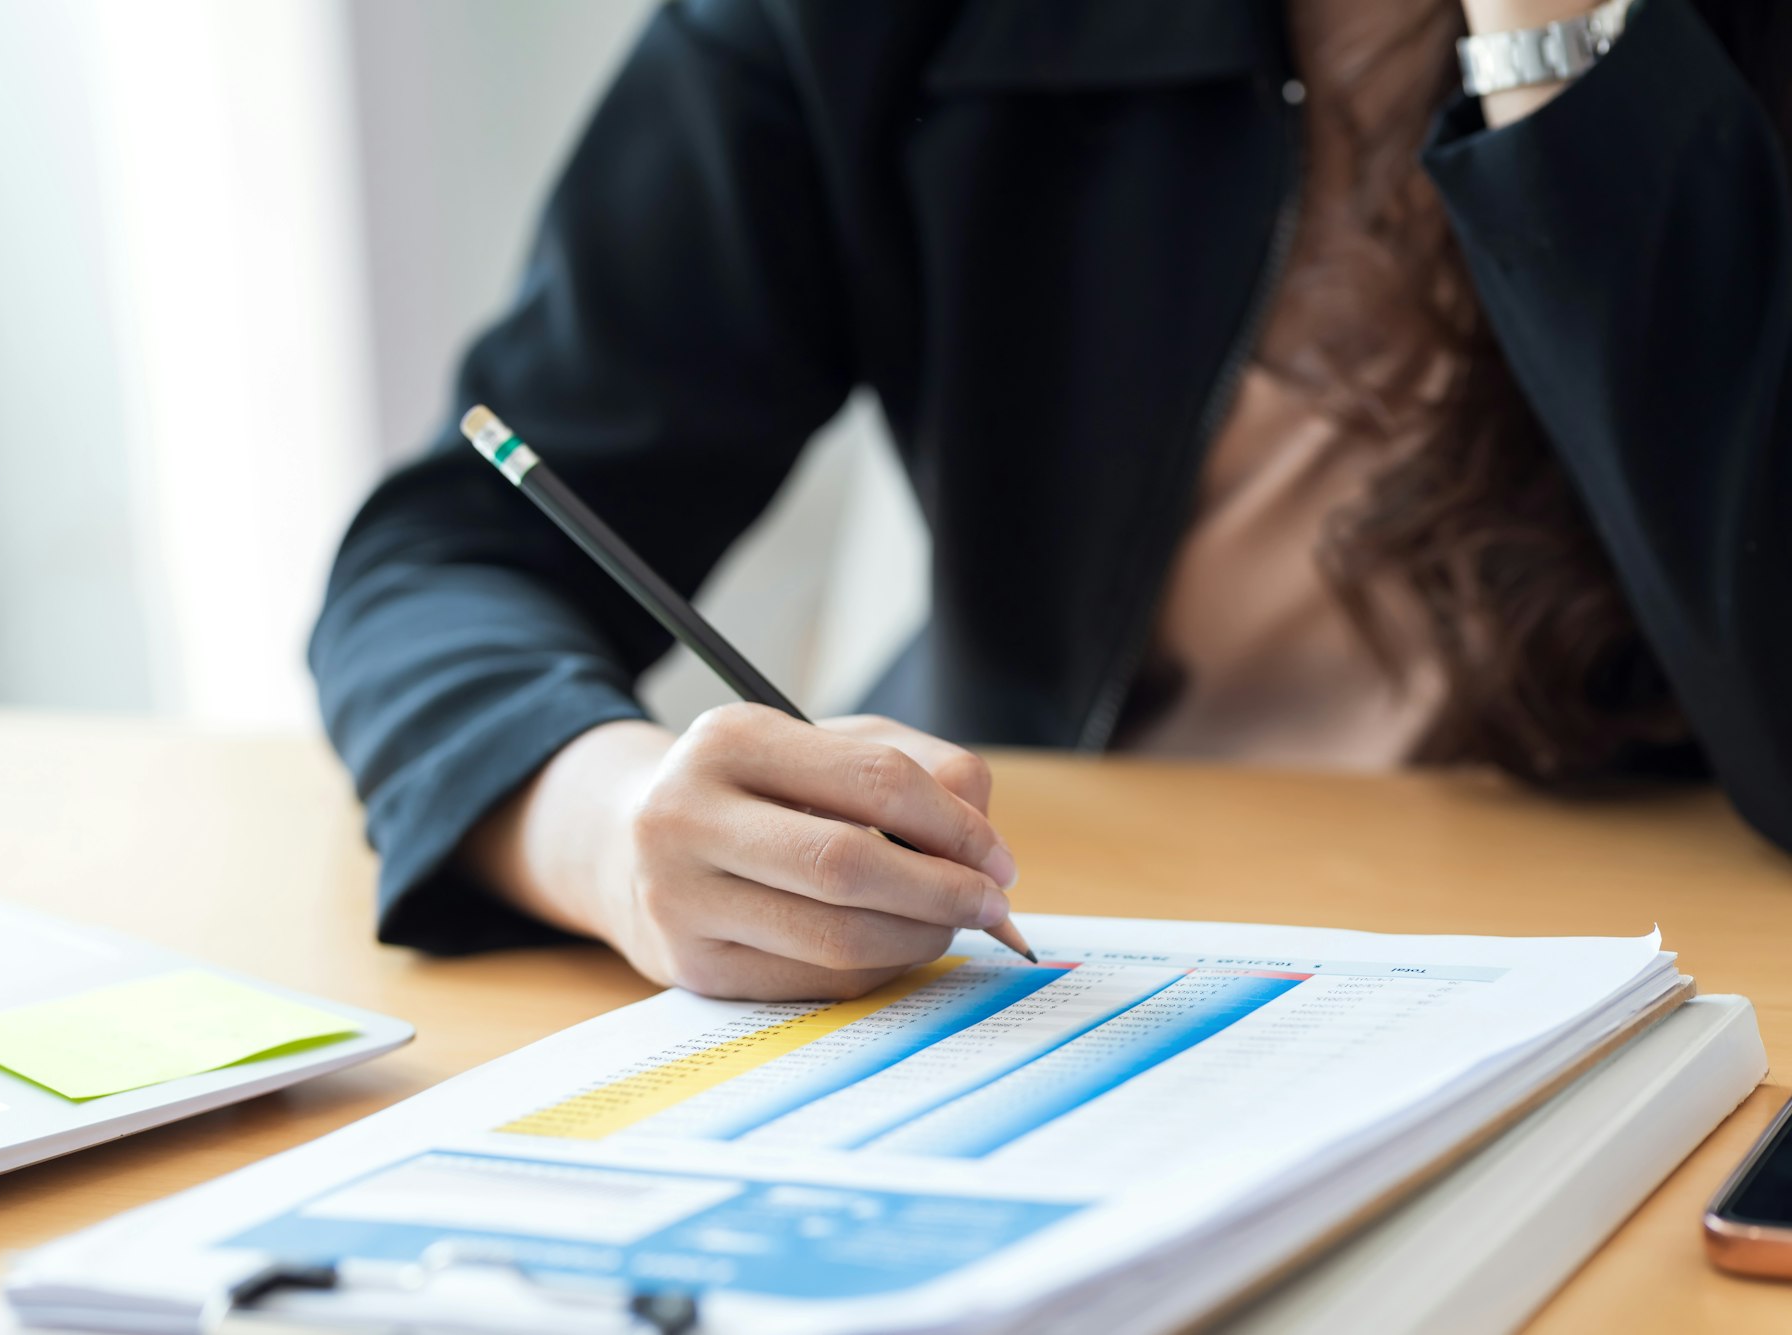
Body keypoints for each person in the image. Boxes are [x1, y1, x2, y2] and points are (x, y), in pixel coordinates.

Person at [311, 0, 1792, 1001]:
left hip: (1667, 970)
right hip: (1042, 960)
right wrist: (613, 827)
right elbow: (451, 552)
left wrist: (1570, 43)